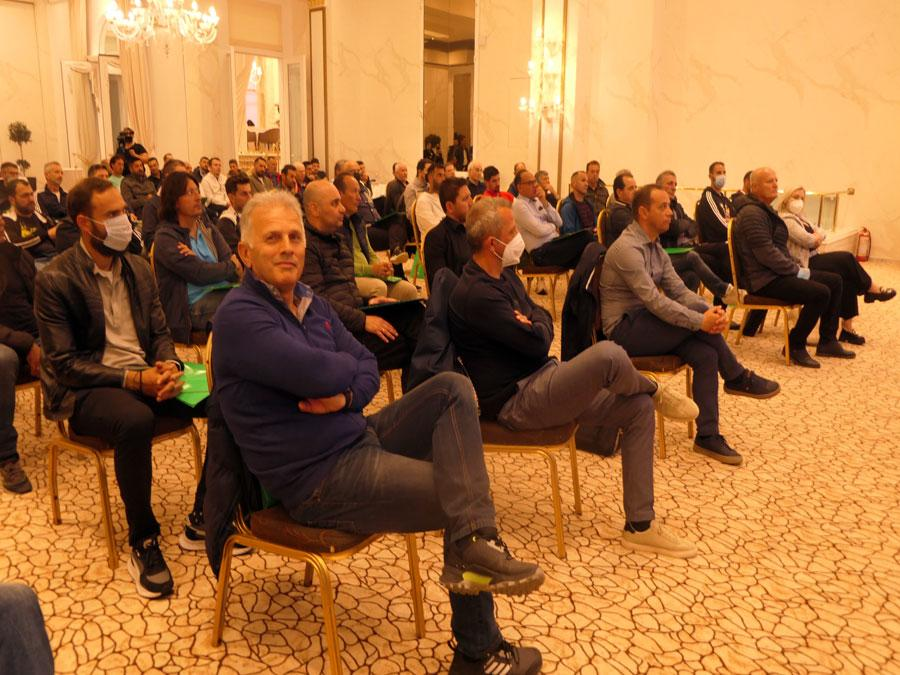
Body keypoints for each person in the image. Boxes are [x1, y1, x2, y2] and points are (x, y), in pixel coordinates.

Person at [215, 189, 544, 674]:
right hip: (317, 478)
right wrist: (338, 370)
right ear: (245, 252)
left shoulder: (310, 302)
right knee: (461, 494)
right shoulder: (240, 316)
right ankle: (478, 649)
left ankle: (476, 548)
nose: (287, 248)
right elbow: (317, 372)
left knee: (452, 388)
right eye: (272, 238)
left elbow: (367, 364)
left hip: (356, 433)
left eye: (294, 237)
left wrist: (345, 394)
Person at [450, 196, 700, 557]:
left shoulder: (503, 275)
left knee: (637, 409)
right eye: (513, 231)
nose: (519, 238)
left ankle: (640, 525)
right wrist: (533, 324)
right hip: (516, 401)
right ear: (493, 244)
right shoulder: (476, 293)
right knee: (608, 354)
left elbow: (540, 319)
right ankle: (654, 388)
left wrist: (532, 320)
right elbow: (537, 342)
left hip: (543, 379)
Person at [34, 176, 207, 598]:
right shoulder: (56, 279)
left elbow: (160, 333)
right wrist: (134, 380)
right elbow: (64, 364)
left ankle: (205, 515)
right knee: (135, 419)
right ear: (85, 223)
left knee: (225, 398)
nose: (124, 222)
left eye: (124, 213)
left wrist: (168, 366)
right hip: (89, 389)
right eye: (111, 215)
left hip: (146, 374)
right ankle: (143, 540)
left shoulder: (138, 268)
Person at [601, 184, 780, 466]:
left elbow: (680, 292)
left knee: (706, 354)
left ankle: (707, 436)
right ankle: (736, 376)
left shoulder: (655, 247)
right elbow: (655, 302)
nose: (670, 213)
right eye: (662, 207)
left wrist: (710, 312)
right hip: (625, 330)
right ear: (643, 212)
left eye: (669, 206)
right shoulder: (627, 249)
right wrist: (701, 321)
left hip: (649, 324)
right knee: (697, 326)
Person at [300, 180, 423, 379]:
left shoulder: (337, 239)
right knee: (420, 342)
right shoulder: (306, 247)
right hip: (337, 333)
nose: (342, 209)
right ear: (314, 209)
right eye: (334, 204)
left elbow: (344, 289)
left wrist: (369, 301)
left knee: (416, 313)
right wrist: (363, 319)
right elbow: (315, 302)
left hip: (354, 315)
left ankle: (432, 392)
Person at [733, 168, 854, 367]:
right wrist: (797, 271)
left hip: (777, 273)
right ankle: (795, 344)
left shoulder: (764, 210)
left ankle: (827, 341)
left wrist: (794, 268)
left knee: (835, 281)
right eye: (769, 181)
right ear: (753, 187)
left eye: (776, 180)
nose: (775, 184)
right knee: (820, 293)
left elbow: (778, 250)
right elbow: (767, 254)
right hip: (764, 280)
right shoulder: (751, 213)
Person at [779, 185, 895, 345]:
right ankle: (871, 288)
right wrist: (816, 237)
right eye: (795, 197)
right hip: (803, 264)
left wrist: (817, 236)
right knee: (846, 258)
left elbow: (822, 232)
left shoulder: (801, 217)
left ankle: (847, 329)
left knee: (846, 275)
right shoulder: (786, 219)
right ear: (786, 199)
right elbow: (809, 240)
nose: (799, 201)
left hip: (813, 257)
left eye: (802, 198)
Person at [153, 172, 241, 342]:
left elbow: (233, 272)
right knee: (247, 303)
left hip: (220, 292)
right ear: (175, 201)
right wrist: (229, 266)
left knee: (261, 294)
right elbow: (200, 274)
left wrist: (209, 266)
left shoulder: (207, 228)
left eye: (197, 191)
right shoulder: (166, 237)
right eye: (190, 192)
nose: (198, 197)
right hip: (191, 308)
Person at [655, 170, 736, 302]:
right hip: (665, 254)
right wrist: (683, 226)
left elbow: (694, 225)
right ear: (658, 187)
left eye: (675, 184)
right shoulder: (656, 208)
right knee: (693, 257)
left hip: (684, 249)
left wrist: (684, 227)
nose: (674, 187)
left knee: (699, 269)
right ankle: (724, 291)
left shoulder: (677, 206)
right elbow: (671, 228)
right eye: (670, 183)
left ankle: (717, 304)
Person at [334, 173, 418, 301]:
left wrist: (382, 267)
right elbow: (343, 266)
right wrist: (372, 270)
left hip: (369, 272)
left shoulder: (358, 221)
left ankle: (395, 249)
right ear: (340, 194)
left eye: (359, 192)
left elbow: (370, 252)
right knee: (379, 287)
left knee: (409, 290)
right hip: (350, 277)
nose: (359, 198)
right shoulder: (335, 225)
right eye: (355, 192)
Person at [0, 240, 38, 493]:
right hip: (5, 343)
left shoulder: (18, 255)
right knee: (3, 361)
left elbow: (40, 301)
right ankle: (6, 457)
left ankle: (91, 424)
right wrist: (26, 344)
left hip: (31, 334)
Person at [513, 170, 590, 269]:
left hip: (554, 244)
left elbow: (559, 222)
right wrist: (553, 226)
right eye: (530, 183)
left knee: (586, 255)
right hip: (541, 252)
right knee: (586, 237)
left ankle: (587, 277)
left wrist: (544, 201)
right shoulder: (519, 205)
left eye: (534, 181)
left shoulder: (537, 200)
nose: (535, 185)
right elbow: (539, 231)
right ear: (519, 187)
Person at [423, 176, 472, 288]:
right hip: (459, 295)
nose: (471, 203)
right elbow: (441, 283)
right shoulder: (435, 238)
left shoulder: (473, 230)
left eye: (470, 196)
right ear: (450, 207)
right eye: (465, 199)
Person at [3, 179, 57, 267]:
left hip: (54, 256)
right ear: (12, 200)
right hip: (32, 263)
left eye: (31, 194)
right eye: (25, 196)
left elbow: (55, 230)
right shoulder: (6, 220)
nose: (31, 199)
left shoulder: (39, 215)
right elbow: (14, 245)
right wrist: (46, 235)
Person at [141, 159, 189, 254]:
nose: (186, 181)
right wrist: (177, 246)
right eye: (181, 176)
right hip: (171, 253)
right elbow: (149, 240)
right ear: (168, 177)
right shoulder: (152, 205)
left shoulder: (187, 201)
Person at [696, 161, 733, 244]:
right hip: (714, 243)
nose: (722, 176)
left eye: (724, 173)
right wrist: (738, 231)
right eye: (719, 173)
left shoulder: (725, 199)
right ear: (710, 176)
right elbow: (721, 226)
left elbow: (736, 219)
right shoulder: (708, 197)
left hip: (726, 241)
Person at [217, 174, 252, 253]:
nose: (250, 198)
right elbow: (239, 254)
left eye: (250, 193)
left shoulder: (251, 215)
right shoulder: (226, 223)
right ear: (231, 197)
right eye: (244, 194)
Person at [603, 170, 636, 245]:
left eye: (635, 187)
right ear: (619, 192)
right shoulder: (618, 213)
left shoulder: (627, 207)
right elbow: (638, 233)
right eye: (631, 188)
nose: (635, 191)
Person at [414, 161, 446, 238]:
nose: (443, 179)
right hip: (434, 242)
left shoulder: (444, 197)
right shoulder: (423, 200)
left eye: (444, 175)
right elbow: (433, 229)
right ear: (430, 177)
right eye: (439, 175)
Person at [559, 170, 597, 235]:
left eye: (587, 181)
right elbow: (570, 234)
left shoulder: (589, 204)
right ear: (574, 184)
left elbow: (595, 225)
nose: (586, 184)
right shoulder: (568, 207)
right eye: (583, 180)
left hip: (592, 238)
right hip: (579, 240)